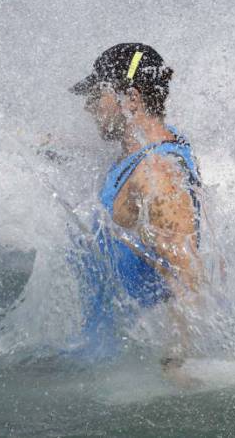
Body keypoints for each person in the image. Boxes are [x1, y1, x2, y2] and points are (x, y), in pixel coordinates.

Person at [69, 43, 203, 374]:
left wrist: (174, 365)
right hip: (99, 357)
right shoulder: (153, 150)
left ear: (132, 99)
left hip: (118, 367)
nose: (88, 108)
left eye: (97, 95)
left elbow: (188, 278)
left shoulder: (156, 175)